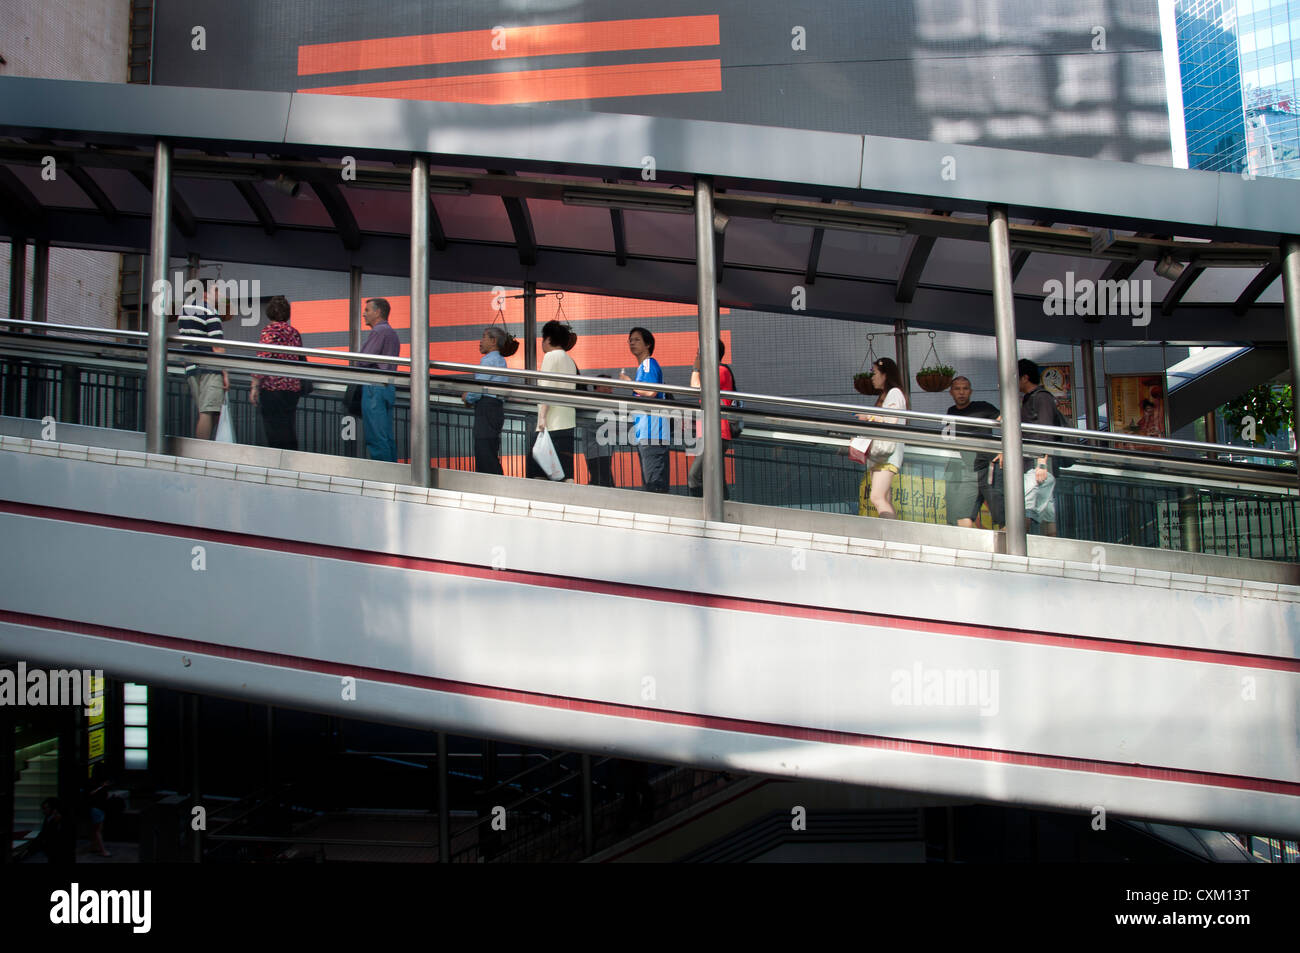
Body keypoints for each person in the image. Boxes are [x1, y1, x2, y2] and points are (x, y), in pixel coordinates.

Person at [942, 376, 1001, 528]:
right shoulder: (950, 412)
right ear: (951, 392)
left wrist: (1005, 450)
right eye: (957, 389)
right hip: (966, 470)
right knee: (963, 516)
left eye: (965, 388)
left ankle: (1011, 543)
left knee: (1004, 518)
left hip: (989, 467)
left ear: (971, 391)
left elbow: (1007, 422)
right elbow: (948, 440)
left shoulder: (983, 407)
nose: (961, 392)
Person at [855, 357, 908, 519]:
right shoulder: (888, 395)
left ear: (885, 375)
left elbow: (890, 420)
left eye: (875, 373)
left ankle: (893, 532)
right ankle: (890, 530)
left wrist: (868, 416)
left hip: (887, 454)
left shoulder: (894, 393)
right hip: (883, 455)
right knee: (884, 498)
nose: (872, 377)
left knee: (877, 497)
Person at [249, 295, 304, 451]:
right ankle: (291, 458)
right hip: (292, 388)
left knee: (274, 430)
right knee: (288, 427)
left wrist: (254, 386)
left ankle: (278, 460)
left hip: (272, 388)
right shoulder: (294, 332)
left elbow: (263, 359)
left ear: (270, 312)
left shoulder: (269, 331)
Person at [526, 320, 578, 482]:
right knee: (565, 473)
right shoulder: (569, 360)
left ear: (548, 339)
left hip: (551, 424)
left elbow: (546, 388)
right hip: (568, 423)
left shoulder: (550, 356)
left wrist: (542, 417)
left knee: (538, 472)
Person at [619, 327, 669, 493]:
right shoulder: (643, 367)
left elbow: (650, 391)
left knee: (654, 485)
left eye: (637, 339)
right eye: (630, 340)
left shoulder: (648, 364)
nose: (632, 343)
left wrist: (628, 383)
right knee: (652, 482)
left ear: (648, 344)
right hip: (648, 433)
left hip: (652, 432)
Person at [177, 281, 229, 440]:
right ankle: (202, 449)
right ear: (205, 293)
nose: (219, 294)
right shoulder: (209, 310)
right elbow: (218, 346)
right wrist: (225, 373)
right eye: (216, 291)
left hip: (191, 367)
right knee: (208, 412)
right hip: (210, 368)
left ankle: (203, 446)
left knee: (206, 411)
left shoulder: (184, 311)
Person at [687, 341, 736, 498]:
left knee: (694, 477)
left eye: (699, 353)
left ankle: (699, 509)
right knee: (716, 480)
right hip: (710, 433)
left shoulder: (720, 370)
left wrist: (696, 367)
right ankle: (726, 508)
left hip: (716, 433)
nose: (697, 356)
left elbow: (696, 388)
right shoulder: (713, 372)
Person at [1017, 358, 1060, 536]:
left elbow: (1046, 430)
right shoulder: (1030, 398)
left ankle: (1020, 546)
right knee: (1047, 511)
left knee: (1025, 506)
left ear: (1024, 377)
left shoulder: (1041, 397)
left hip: (1038, 463)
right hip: (1037, 462)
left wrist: (1042, 463)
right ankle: (1050, 548)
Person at [464, 326, 513, 475]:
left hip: (485, 409)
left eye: (484, 337)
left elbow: (479, 388)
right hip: (497, 408)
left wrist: (467, 397)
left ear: (493, 341)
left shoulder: (488, 360)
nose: (480, 341)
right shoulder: (501, 361)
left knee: (484, 452)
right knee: (490, 450)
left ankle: (495, 484)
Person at [356, 297, 400, 462]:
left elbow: (363, 360)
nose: (364, 314)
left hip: (374, 387)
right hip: (388, 387)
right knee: (386, 436)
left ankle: (383, 473)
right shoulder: (391, 333)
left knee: (375, 436)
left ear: (378, 312)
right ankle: (393, 470)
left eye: (367, 310)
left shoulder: (378, 331)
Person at [579, 375, 617, 487]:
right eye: (608, 387)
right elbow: (596, 424)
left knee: (599, 479)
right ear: (599, 386)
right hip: (596, 450)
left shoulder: (600, 403)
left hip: (600, 450)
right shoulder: (593, 402)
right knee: (603, 480)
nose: (611, 390)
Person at [36, 797, 75, 864]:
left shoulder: (64, 821)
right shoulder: (48, 819)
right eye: (43, 808)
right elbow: (44, 833)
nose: (44, 811)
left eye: (46, 808)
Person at [86, 765, 112, 857]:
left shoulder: (96, 783)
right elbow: (93, 793)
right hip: (98, 808)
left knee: (96, 830)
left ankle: (94, 846)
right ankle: (103, 850)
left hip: (97, 808)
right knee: (98, 830)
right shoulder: (99, 785)